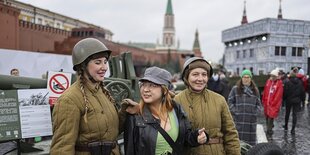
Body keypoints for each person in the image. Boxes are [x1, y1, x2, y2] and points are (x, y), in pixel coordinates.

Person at [50, 38, 137, 155]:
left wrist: (124, 113)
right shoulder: (69, 100)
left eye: (105, 62)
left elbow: (109, 133)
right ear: (83, 65)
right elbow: (62, 148)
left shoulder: (103, 93)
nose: (104, 67)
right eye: (98, 62)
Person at [124, 66, 208, 155]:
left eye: (153, 85)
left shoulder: (176, 109)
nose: (145, 89)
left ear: (164, 90)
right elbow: (130, 150)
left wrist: (196, 137)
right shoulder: (135, 115)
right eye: (143, 84)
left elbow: (185, 138)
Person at [174, 57, 240, 155]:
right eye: (195, 74)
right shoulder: (177, 101)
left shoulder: (219, 100)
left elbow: (230, 134)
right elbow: (173, 135)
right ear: (187, 77)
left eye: (204, 74)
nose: (200, 79)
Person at [228, 69, 261, 146]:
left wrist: (255, 113)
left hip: (251, 121)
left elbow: (259, 104)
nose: (246, 79)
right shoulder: (235, 89)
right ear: (241, 78)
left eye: (248, 77)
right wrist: (236, 111)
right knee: (238, 143)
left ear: (250, 79)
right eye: (244, 77)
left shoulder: (255, 90)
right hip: (239, 120)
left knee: (250, 145)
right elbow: (229, 102)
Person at [262, 69, 283, 135]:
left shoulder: (279, 83)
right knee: (267, 116)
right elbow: (265, 91)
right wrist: (263, 99)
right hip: (266, 102)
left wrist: (273, 102)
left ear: (276, 76)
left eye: (274, 76)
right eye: (272, 76)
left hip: (273, 104)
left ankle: (269, 130)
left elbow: (278, 94)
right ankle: (269, 126)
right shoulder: (268, 81)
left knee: (271, 116)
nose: (273, 77)